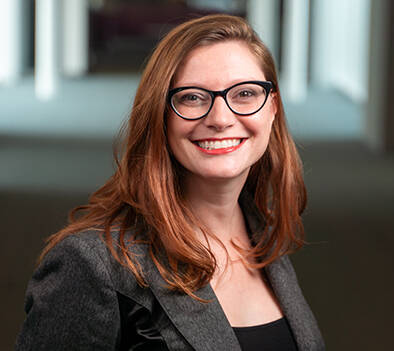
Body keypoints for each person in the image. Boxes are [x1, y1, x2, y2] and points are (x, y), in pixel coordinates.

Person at [16, 14, 325, 351]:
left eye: (245, 93)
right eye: (192, 97)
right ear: (160, 114)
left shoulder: (264, 237)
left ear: (272, 108)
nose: (220, 119)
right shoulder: (93, 264)